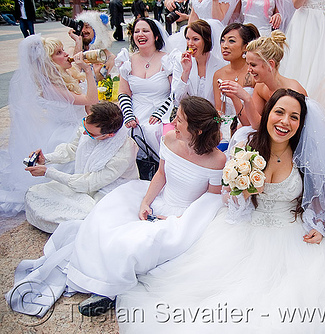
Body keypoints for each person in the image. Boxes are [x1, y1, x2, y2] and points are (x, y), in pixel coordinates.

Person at [117, 88, 325, 333]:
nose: (285, 121)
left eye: (294, 117)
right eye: (279, 112)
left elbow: (319, 200)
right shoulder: (246, 145)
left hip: (292, 236)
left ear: (301, 123)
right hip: (244, 231)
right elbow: (228, 199)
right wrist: (243, 193)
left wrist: (319, 224)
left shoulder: (305, 156)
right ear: (268, 114)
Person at [6, 96, 227, 318]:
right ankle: (101, 281)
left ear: (197, 130)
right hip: (158, 198)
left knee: (140, 242)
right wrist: (145, 202)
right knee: (104, 220)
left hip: (186, 216)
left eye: (179, 120)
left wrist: (179, 221)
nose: (173, 123)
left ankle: (110, 293)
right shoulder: (169, 139)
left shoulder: (217, 160)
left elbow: (210, 200)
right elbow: (161, 174)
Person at [0, 35, 98, 217]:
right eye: (59, 53)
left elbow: (89, 104)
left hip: (80, 127)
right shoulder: (50, 88)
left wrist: (78, 44)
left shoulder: (62, 77)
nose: (66, 54)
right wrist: (89, 71)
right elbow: (91, 99)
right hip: (67, 133)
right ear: (49, 62)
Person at [24, 102, 139, 234]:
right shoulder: (89, 127)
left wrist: (48, 172)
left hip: (109, 190)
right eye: (84, 125)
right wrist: (46, 159)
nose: (84, 133)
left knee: (89, 220)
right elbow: (73, 148)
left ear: (109, 135)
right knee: (35, 193)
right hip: (84, 181)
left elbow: (90, 183)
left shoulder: (124, 152)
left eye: (90, 133)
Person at [219, 30, 306, 131]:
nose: (249, 70)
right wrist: (235, 97)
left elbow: (294, 130)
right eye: (248, 64)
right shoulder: (260, 87)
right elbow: (251, 123)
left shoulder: (292, 91)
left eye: (253, 65)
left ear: (271, 64)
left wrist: (247, 98)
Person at [116, 18, 173, 157]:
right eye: (136, 31)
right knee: (124, 131)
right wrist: (128, 114)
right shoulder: (127, 61)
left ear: (156, 36)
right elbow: (123, 92)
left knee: (152, 130)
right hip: (135, 109)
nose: (140, 34)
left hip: (162, 109)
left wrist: (160, 113)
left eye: (145, 31)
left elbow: (176, 93)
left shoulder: (168, 59)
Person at [213, 23, 260, 144]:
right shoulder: (219, 74)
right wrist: (216, 129)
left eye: (231, 41)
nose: (225, 46)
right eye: (223, 41)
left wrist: (235, 96)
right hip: (226, 130)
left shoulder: (254, 74)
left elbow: (252, 120)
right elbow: (218, 110)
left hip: (250, 129)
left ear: (245, 46)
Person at [278, 0, 325, 93]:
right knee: (301, 60)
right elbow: (296, 4)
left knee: (321, 63)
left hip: (321, 22)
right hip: (305, 22)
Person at [171, 19, 227, 106]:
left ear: (207, 40)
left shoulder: (221, 66)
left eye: (195, 39)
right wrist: (186, 72)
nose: (190, 43)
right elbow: (177, 100)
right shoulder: (180, 62)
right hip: (188, 114)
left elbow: (223, 102)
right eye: (188, 39)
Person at [69, 11, 115, 82]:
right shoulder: (73, 51)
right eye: (81, 27)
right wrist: (78, 41)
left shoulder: (109, 57)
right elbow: (72, 77)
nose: (83, 31)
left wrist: (98, 74)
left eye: (87, 27)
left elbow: (112, 86)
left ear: (97, 31)